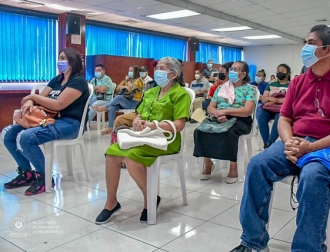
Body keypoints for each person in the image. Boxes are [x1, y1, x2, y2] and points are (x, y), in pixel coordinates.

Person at [231, 25, 330, 252]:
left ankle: (308, 248)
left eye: (310, 43)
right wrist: (289, 141)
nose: (305, 47)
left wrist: (312, 147)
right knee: (257, 164)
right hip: (298, 140)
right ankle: (252, 241)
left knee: (313, 176)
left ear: (328, 49)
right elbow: (285, 119)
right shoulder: (298, 82)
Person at [95, 57, 191, 224]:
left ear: (173, 74)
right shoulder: (150, 92)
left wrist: (154, 125)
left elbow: (179, 124)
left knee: (132, 157)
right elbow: (139, 113)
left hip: (166, 139)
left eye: (162, 68)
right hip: (144, 136)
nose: (157, 71)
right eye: (157, 68)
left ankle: (150, 199)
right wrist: (137, 120)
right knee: (112, 153)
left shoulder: (180, 94)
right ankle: (111, 203)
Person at [2, 47, 89, 195]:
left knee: (26, 137)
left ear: (73, 61)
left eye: (62, 58)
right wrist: (31, 102)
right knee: (9, 134)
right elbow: (42, 98)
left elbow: (58, 104)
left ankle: (45, 177)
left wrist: (32, 97)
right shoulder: (58, 79)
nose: (59, 61)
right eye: (59, 58)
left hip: (70, 123)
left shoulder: (78, 82)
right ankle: (26, 173)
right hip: (50, 119)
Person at [193, 61, 257, 184]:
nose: (232, 71)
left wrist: (225, 112)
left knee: (230, 133)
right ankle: (208, 163)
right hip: (219, 117)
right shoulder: (221, 88)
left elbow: (247, 110)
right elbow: (211, 107)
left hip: (240, 119)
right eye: (231, 69)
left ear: (243, 74)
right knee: (200, 131)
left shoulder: (249, 89)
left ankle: (233, 166)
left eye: (236, 69)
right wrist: (217, 114)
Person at [94, 66, 144, 135]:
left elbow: (130, 90)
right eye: (129, 71)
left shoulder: (138, 80)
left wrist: (127, 83)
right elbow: (117, 88)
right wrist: (125, 85)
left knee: (118, 97)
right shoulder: (127, 80)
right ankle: (110, 127)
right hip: (126, 101)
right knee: (112, 107)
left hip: (134, 103)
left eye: (132, 71)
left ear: (136, 72)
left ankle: (105, 107)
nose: (130, 73)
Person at [256, 64, 291, 149]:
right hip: (269, 107)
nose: (279, 72)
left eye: (282, 71)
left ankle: (270, 143)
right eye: (278, 71)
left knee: (279, 119)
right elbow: (263, 97)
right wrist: (270, 100)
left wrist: (276, 101)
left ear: (288, 73)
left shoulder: (291, 84)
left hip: (282, 108)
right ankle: (266, 143)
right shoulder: (271, 84)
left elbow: (290, 99)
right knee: (261, 117)